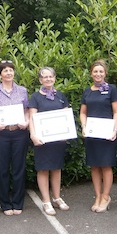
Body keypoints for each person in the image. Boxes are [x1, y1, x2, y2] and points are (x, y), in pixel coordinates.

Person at [0, 60, 29, 215]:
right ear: (0, 75)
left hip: (19, 133)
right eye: (5, 71)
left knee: (19, 168)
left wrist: (26, 122)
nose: (8, 73)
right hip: (2, 134)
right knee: (3, 169)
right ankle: (5, 204)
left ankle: (18, 203)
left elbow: (26, 111)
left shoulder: (22, 91)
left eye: (11, 70)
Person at [28, 67, 70, 216]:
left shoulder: (60, 95)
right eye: (44, 77)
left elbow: (66, 116)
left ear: (54, 78)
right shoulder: (35, 97)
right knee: (43, 169)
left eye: (50, 76)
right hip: (42, 140)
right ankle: (46, 201)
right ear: (40, 80)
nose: (48, 79)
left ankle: (57, 197)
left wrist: (68, 132)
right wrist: (33, 135)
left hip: (58, 139)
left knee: (56, 168)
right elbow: (32, 118)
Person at [80, 60, 117, 213]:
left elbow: (116, 112)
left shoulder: (112, 90)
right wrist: (84, 127)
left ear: (105, 73)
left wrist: (114, 129)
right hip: (92, 133)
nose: (98, 74)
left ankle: (106, 196)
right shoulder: (87, 91)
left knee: (106, 165)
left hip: (107, 133)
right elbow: (83, 113)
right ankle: (97, 196)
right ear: (91, 73)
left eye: (101, 72)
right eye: (95, 71)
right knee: (95, 166)